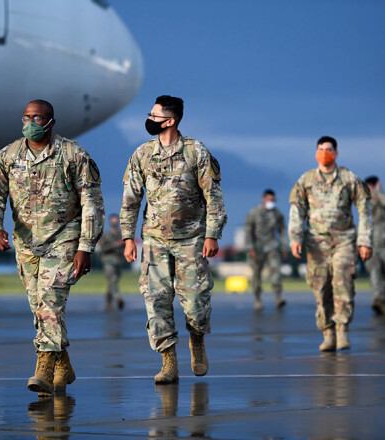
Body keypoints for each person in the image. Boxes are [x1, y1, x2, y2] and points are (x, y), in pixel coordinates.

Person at [0, 99, 104, 395]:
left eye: (37, 117)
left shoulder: (73, 155)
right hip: (27, 244)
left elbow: (92, 203)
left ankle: (44, 367)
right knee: (40, 308)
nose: (30, 123)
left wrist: (85, 246)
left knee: (50, 301)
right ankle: (64, 364)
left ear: (51, 122)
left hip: (64, 239)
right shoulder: (7, 156)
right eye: (26, 117)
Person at [120, 95, 227, 383]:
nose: (150, 120)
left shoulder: (196, 152)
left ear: (170, 121)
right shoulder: (142, 154)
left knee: (195, 303)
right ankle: (168, 361)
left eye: (155, 116)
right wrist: (128, 237)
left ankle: (197, 338)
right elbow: (131, 199)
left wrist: (212, 234)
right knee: (156, 301)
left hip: (191, 239)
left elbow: (213, 197)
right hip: (154, 241)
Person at [288, 136, 373, 352]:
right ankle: (328, 332)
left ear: (336, 153)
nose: (324, 152)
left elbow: (364, 208)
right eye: (321, 149)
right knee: (321, 286)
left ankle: (342, 329)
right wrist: (295, 237)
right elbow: (297, 210)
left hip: (344, 240)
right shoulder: (305, 180)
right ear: (315, 152)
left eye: (329, 149)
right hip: (316, 243)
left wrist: (365, 241)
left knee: (342, 281)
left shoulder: (349, 178)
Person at [244, 189, 289, 310]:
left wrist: (284, 247)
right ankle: (257, 299)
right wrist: (250, 248)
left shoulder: (277, 214)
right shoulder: (254, 213)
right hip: (257, 248)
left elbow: (282, 231)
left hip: (272, 247)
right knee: (256, 275)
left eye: (274, 200)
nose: (272, 202)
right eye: (269, 200)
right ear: (263, 199)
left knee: (276, 273)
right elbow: (248, 231)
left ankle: (278, 298)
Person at [363, 176, 385, 316]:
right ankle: (377, 299)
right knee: (375, 269)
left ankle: (384, 301)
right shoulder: (367, 202)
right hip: (371, 244)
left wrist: (378, 192)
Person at [99, 213, 126, 310]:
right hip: (108, 261)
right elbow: (103, 249)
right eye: (113, 220)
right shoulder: (106, 235)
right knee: (113, 280)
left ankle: (108, 303)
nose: (114, 222)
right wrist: (115, 244)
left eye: (116, 220)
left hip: (118, 261)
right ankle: (118, 298)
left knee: (113, 282)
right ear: (110, 222)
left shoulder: (121, 235)